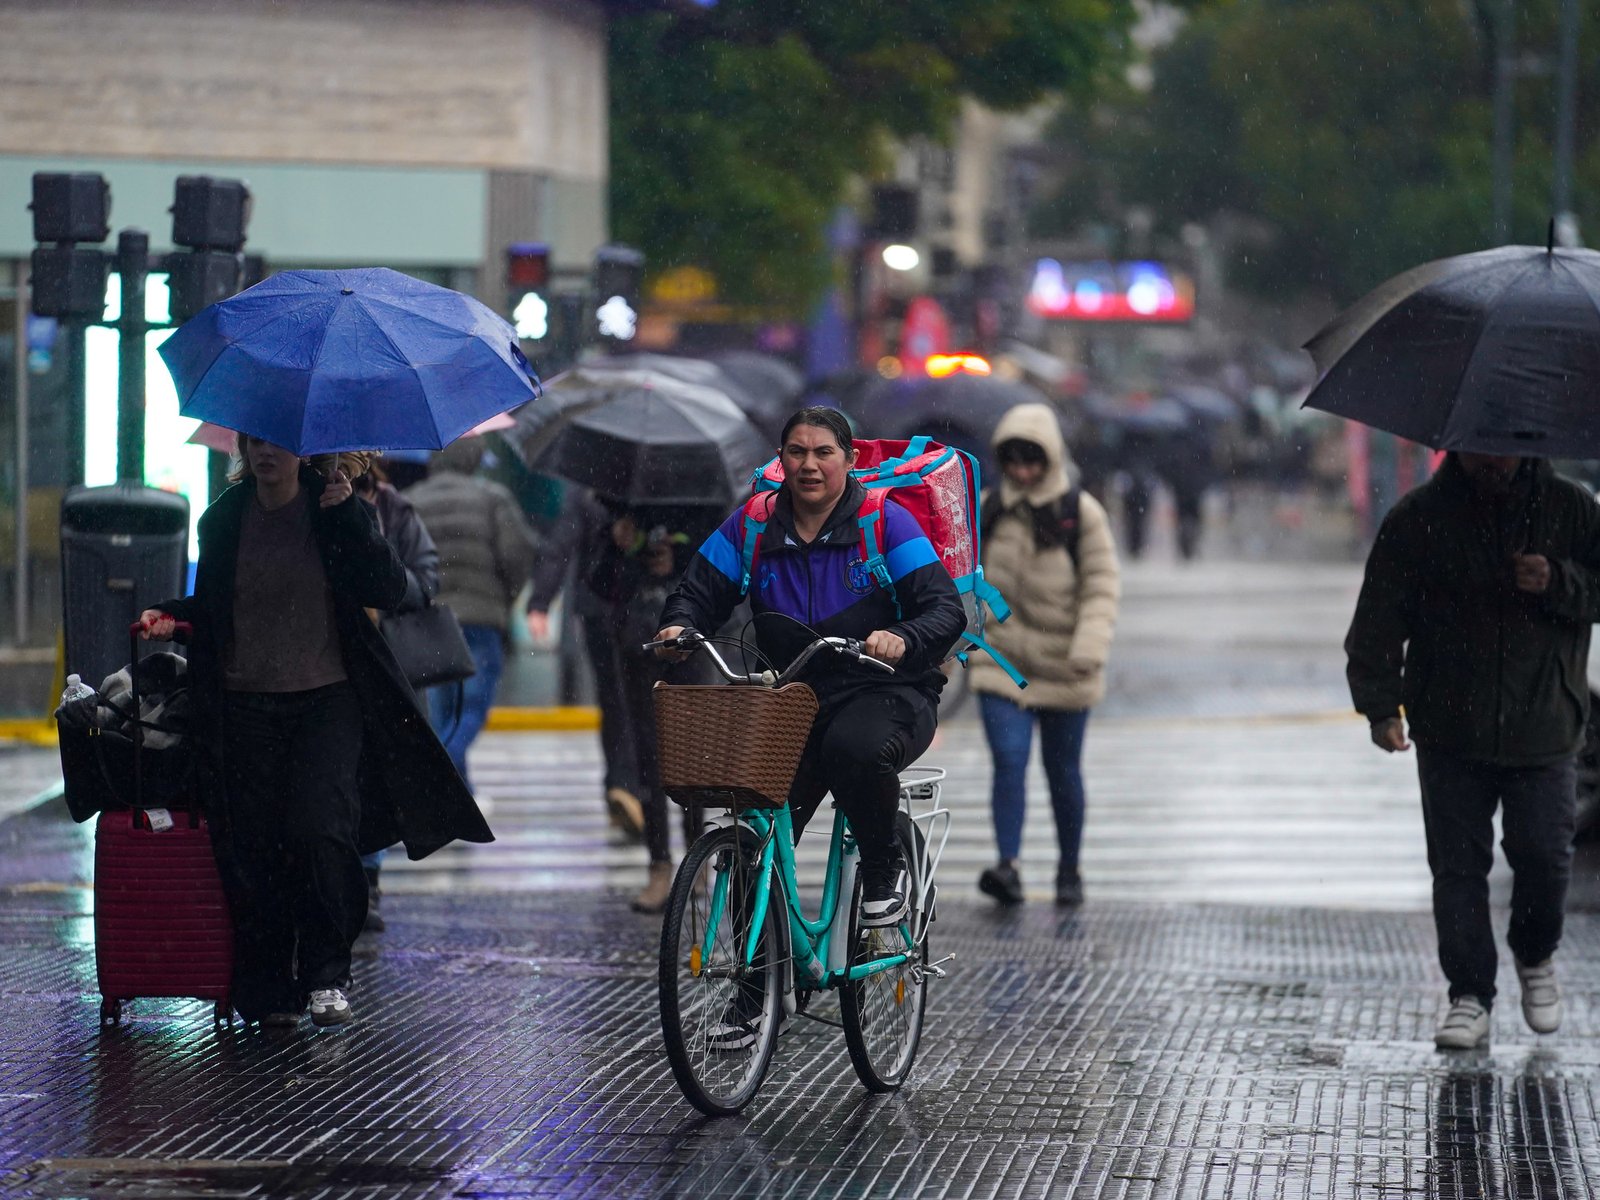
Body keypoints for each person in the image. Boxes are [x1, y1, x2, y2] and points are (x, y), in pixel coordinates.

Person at [139, 437, 491, 1028]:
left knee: (322, 830)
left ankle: (327, 974)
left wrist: (349, 513)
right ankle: (271, 986)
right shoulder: (224, 518)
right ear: (243, 447)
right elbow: (215, 606)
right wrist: (170, 615)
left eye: (279, 441)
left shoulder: (333, 507)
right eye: (256, 441)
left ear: (302, 450)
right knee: (254, 846)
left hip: (327, 701)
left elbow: (387, 588)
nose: (266, 452)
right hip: (243, 704)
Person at [656, 406, 966, 926]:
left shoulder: (883, 522)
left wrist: (902, 637)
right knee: (756, 823)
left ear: (849, 459)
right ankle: (756, 972)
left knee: (853, 749)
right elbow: (696, 592)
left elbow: (944, 609)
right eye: (797, 452)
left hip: (887, 692)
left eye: (824, 452)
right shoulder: (754, 524)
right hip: (791, 698)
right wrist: (678, 626)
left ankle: (883, 874)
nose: (809, 465)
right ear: (781, 458)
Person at [1345, 451, 1600, 1051]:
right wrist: (1380, 707)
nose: (1493, 458)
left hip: (1545, 723)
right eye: (1480, 446)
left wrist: (1558, 580)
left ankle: (1535, 955)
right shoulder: (1419, 517)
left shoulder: (1570, 508)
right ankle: (1469, 994)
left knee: (1543, 856)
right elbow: (1379, 616)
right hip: (1449, 724)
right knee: (1457, 869)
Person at [968, 403, 1121, 908]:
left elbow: (1101, 586)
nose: (1022, 471)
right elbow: (960, 581)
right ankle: (1008, 866)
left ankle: (1069, 867)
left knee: (1063, 772)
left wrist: (1089, 648)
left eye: (1032, 460)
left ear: (1050, 458)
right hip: (1001, 661)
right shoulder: (988, 509)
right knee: (1008, 761)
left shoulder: (1081, 512)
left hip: (1066, 665)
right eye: (1012, 460)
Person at [587, 502, 715, 912]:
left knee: (691, 755)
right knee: (649, 755)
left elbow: (721, 579)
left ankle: (695, 854)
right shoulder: (619, 509)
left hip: (690, 647)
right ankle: (658, 864)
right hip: (638, 646)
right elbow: (597, 583)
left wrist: (678, 560)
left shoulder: (702, 510)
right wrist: (618, 546)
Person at [405, 438, 539, 796]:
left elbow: (401, 561)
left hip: (431, 620)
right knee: (473, 705)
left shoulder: (412, 501)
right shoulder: (492, 498)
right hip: (480, 618)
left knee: (443, 711)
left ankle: (455, 793)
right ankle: (444, 769)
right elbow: (517, 554)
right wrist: (505, 597)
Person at [525, 489, 648, 840]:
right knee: (637, 702)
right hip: (636, 609)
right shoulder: (648, 490)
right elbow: (559, 546)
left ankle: (621, 785)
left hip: (601, 608)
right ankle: (632, 788)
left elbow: (558, 547)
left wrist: (540, 602)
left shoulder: (587, 492)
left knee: (614, 700)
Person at [353, 461, 441, 933]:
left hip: (385, 664)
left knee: (375, 770)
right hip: (326, 661)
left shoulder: (395, 510)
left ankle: (366, 881)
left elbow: (426, 581)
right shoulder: (306, 502)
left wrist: (384, 586)